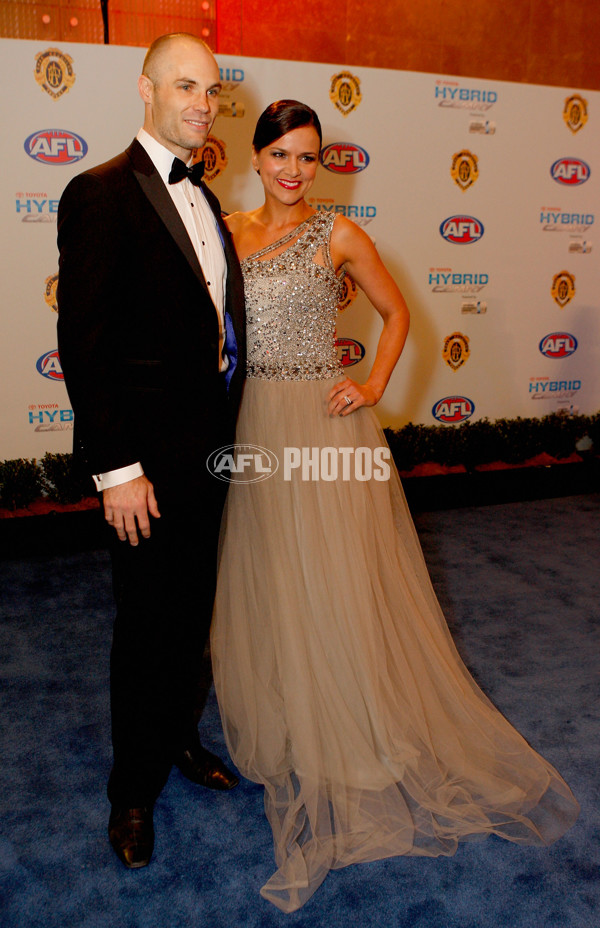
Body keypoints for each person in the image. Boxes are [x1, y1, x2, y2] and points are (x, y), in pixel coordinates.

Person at [210, 101, 579, 912]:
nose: (294, 170)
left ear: (320, 163)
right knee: (272, 572)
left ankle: (353, 722)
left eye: (308, 157)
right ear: (257, 155)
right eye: (280, 154)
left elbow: (398, 311)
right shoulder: (227, 228)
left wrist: (373, 384)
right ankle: (292, 712)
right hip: (252, 421)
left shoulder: (339, 234)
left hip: (322, 420)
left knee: (338, 576)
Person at [56, 34, 245, 870]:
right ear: (145, 89)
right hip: (143, 469)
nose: (202, 103)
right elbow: (85, 345)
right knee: (144, 625)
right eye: (184, 86)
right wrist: (117, 469)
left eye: (211, 90)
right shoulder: (99, 193)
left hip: (210, 455)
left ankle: (177, 738)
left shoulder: (210, 197)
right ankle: (131, 792)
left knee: (192, 613)